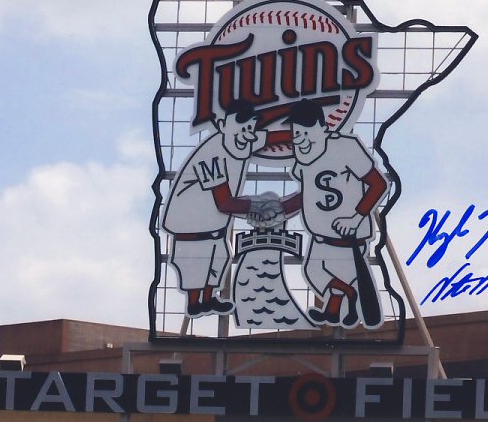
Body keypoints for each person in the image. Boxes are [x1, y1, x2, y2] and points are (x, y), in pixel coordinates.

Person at [161, 100, 286, 318]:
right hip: (190, 228)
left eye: (250, 128)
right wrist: (258, 205)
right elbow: (224, 203)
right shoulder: (211, 154)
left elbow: (275, 137)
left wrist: (313, 135)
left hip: (214, 227)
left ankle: (208, 299)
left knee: (219, 259)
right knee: (195, 270)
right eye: (241, 127)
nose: (246, 133)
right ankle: (195, 303)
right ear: (222, 125)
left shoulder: (243, 140)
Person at [281, 98, 388, 327]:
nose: (301, 139)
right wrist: (280, 209)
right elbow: (307, 195)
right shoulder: (303, 157)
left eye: (306, 132)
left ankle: (346, 299)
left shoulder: (346, 147)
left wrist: (356, 218)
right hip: (320, 237)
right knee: (315, 272)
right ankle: (337, 308)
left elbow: (378, 184)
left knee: (326, 272)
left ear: (323, 128)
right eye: (296, 133)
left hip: (348, 238)